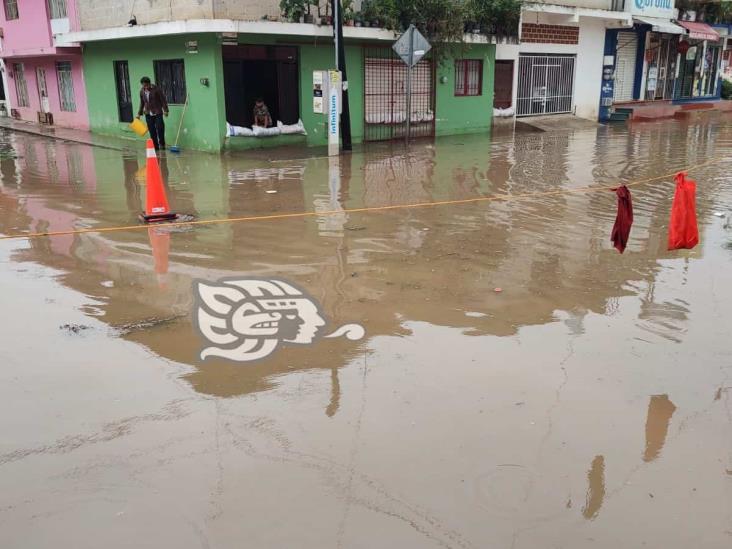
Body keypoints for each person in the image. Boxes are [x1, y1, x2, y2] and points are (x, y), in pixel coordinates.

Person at [137, 77, 169, 151]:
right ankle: (155, 146)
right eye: (143, 85)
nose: (145, 87)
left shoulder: (156, 89)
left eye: (146, 85)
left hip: (158, 112)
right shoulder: (142, 91)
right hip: (148, 113)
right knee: (152, 131)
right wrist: (139, 113)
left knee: (160, 128)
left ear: (149, 83)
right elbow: (142, 103)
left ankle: (162, 144)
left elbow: (163, 100)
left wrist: (166, 110)